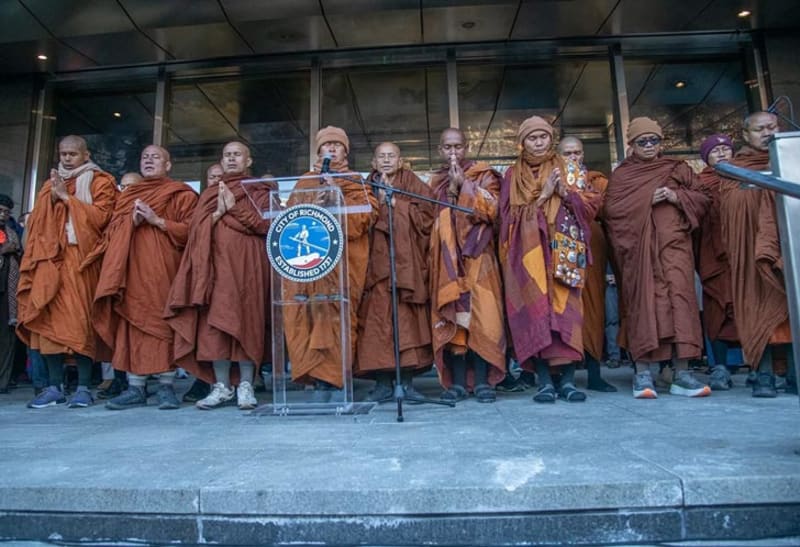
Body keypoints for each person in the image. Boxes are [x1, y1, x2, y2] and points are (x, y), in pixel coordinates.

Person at [603, 117, 711, 399]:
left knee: (681, 306)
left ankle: (682, 373)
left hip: (675, 251)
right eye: (643, 141)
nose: (649, 145)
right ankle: (642, 373)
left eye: (654, 140)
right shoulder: (622, 176)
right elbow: (611, 212)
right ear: (632, 145)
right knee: (644, 307)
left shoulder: (677, 168)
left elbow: (703, 198)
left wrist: (676, 197)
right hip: (640, 255)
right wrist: (644, 201)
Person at [88, 145, 198, 410]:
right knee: (132, 323)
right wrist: (132, 223)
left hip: (165, 272)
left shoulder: (181, 193)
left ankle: (166, 386)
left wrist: (157, 220)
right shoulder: (129, 195)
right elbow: (110, 233)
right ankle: (135, 387)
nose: (149, 161)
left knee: (163, 325)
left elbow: (193, 232)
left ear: (168, 165)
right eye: (145, 157)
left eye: (155, 157)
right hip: (132, 273)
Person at [499, 118, 600, 403]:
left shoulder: (569, 168)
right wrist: (542, 197)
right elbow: (506, 219)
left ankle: (567, 382)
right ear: (522, 143)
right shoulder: (513, 175)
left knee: (567, 314)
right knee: (536, 314)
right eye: (532, 138)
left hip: (564, 252)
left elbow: (592, 205)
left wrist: (566, 194)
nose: (539, 142)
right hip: (528, 256)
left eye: (543, 136)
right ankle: (544, 382)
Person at [166, 142, 273, 410]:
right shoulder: (210, 193)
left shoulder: (259, 190)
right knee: (214, 326)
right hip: (214, 269)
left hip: (248, 269)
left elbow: (266, 225)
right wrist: (217, 213)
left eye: (237, 155)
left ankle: (246, 385)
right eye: (227, 155)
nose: (231, 159)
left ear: (249, 160)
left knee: (247, 323)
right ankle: (222, 386)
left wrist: (233, 209)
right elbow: (196, 230)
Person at [18, 135, 117, 408]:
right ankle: (54, 387)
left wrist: (66, 198)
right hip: (49, 260)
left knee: (80, 323)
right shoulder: (48, 185)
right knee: (46, 321)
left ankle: (83, 387)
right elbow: (36, 224)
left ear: (86, 155)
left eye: (73, 154)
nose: (67, 158)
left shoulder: (100, 181)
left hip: (81, 261)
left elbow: (103, 218)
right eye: (63, 154)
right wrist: (52, 197)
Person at [283, 126, 378, 402]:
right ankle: (317, 381)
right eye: (327, 145)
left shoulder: (356, 182)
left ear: (346, 151)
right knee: (309, 317)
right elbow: (290, 221)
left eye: (338, 145)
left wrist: (337, 198)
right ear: (319, 151)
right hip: (311, 266)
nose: (333, 149)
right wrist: (315, 203)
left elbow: (367, 216)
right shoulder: (305, 182)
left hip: (344, 264)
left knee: (339, 317)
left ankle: (337, 382)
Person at [718, 111, 794, 397]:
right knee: (755, 309)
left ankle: (793, 374)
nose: (767, 133)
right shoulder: (735, 169)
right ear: (745, 135)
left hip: (787, 251)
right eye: (759, 129)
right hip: (750, 252)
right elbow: (731, 208)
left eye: (772, 127)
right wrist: (766, 190)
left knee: (791, 310)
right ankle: (763, 374)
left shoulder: (791, 162)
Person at [429, 128, 506, 403]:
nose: (453, 152)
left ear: (467, 147)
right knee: (455, 315)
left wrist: (465, 186)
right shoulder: (435, 182)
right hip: (448, 260)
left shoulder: (484, 175)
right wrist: (450, 192)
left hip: (479, 258)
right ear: (440, 150)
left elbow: (494, 210)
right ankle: (459, 383)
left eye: (458, 147)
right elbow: (429, 220)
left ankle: (484, 382)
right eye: (448, 147)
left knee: (485, 319)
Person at [355, 142, 436, 402]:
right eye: (382, 156)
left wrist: (396, 204)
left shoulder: (412, 183)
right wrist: (377, 204)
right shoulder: (364, 187)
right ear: (373, 163)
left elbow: (428, 215)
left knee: (407, 321)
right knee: (377, 322)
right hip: (376, 268)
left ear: (401, 162)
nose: (387, 160)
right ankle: (382, 384)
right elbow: (356, 222)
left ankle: (408, 383)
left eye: (392, 156)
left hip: (406, 267)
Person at [557, 135, 616, 393]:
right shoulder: (552, 177)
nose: (573, 157)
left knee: (593, 309)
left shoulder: (596, 181)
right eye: (567, 153)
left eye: (577, 152)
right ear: (558, 156)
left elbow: (609, 211)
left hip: (591, 246)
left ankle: (594, 373)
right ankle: (563, 374)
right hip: (562, 247)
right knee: (565, 309)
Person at [695, 133, 739, 391]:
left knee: (749, 309)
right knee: (717, 310)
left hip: (743, 255)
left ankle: (761, 367)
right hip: (713, 257)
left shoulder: (746, 178)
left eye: (726, 149)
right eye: (715, 151)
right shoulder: (700, 183)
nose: (721, 153)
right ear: (706, 158)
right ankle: (720, 367)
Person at [180, 163, 224, 404]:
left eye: (220, 177)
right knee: (206, 328)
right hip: (203, 271)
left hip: (231, 271)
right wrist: (216, 215)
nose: (217, 180)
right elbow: (192, 232)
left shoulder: (240, 195)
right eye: (212, 177)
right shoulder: (203, 201)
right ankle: (205, 379)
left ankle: (246, 380)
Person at [0, 195, 21, 394]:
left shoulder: (12, 234)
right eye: (0, 210)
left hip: (7, 293)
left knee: (7, 338)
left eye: (6, 212)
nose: (3, 215)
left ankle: (2, 382)